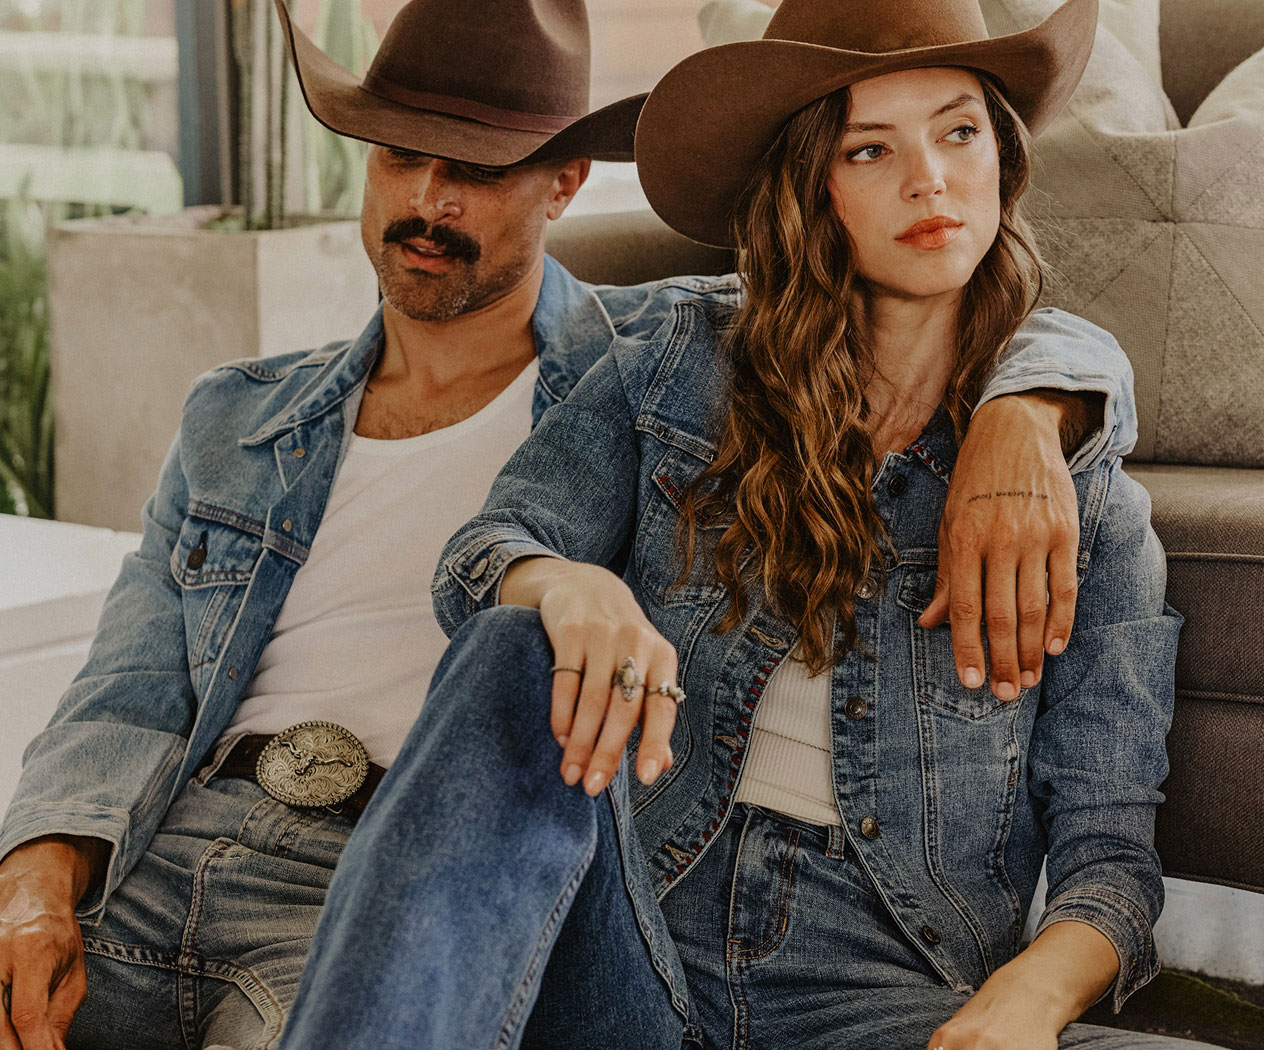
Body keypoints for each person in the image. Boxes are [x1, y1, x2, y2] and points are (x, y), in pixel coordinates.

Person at [0, 1, 1137, 1049]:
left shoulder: (637, 351)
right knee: (514, 640)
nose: (428, 200)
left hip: (840, 976)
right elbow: (136, 682)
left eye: (958, 136)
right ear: (814, 185)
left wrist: (1033, 408)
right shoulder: (254, 414)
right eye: (868, 149)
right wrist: (38, 872)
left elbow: (1111, 861)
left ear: (563, 183)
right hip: (585, 919)